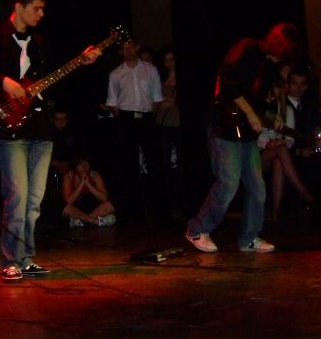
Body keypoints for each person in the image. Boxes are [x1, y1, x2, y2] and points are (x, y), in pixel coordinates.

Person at [0, 0, 101, 281]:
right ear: (19, 6)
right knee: (16, 197)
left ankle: (26, 258)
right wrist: (2, 81)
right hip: (9, 129)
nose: (42, 14)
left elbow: (53, 83)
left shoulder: (40, 42)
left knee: (34, 202)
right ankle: (10, 261)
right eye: (37, 8)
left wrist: (82, 64)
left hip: (40, 128)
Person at [185, 22, 301, 254]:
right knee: (228, 183)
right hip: (224, 125)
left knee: (257, 187)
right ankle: (197, 229)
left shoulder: (269, 65)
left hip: (246, 130)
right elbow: (229, 83)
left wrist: (276, 114)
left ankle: (249, 237)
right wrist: (250, 113)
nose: (279, 61)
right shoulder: (248, 48)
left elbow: (267, 94)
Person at [105, 36, 163, 220]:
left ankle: (157, 208)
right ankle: (134, 210)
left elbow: (157, 98)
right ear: (120, 52)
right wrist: (125, 118)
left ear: (137, 47)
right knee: (129, 164)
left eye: (130, 46)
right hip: (126, 119)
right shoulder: (115, 74)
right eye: (124, 48)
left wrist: (149, 116)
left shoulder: (150, 69)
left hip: (146, 118)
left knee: (153, 161)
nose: (128, 50)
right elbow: (112, 103)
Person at [257, 78, 314, 226]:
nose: (274, 91)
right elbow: (252, 138)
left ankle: (276, 214)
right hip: (258, 154)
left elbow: (290, 139)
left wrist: (281, 142)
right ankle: (303, 191)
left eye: (277, 87)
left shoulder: (286, 110)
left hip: (278, 153)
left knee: (279, 161)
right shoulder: (257, 108)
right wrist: (268, 144)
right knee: (279, 151)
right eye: (272, 87)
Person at [156, 45, 183, 219]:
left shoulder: (181, 80)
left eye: (172, 59)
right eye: (166, 60)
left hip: (179, 126)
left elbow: (172, 102)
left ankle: (181, 201)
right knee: (165, 164)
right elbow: (157, 103)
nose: (169, 63)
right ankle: (169, 203)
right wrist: (167, 101)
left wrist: (167, 101)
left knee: (180, 165)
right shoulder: (161, 81)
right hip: (164, 126)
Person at [61, 154, 116, 227]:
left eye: (86, 162)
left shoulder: (95, 175)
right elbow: (69, 201)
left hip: (93, 206)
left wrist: (88, 184)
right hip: (76, 207)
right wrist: (81, 184)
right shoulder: (68, 176)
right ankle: (94, 221)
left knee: (112, 204)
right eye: (80, 164)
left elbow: (104, 198)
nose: (84, 166)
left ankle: (81, 221)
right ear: (75, 166)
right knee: (64, 207)